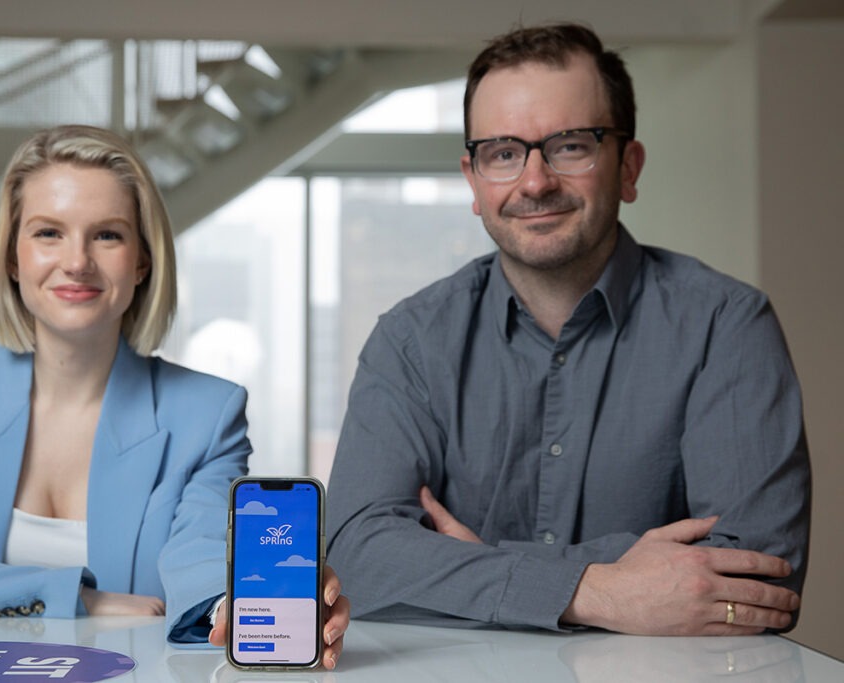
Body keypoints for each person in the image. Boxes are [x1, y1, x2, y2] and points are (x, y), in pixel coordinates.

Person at [326, 23, 810, 637]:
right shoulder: (411, 342)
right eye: (502, 153)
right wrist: (596, 590)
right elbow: (357, 559)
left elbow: (757, 582)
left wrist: (474, 568)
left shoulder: (728, 326)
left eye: (571, 145)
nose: (534, 182)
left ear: (628, 167)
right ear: (473, 181)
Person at [0, 125, 348, 666]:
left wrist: (240, 603)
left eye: (107, 235)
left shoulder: (206, 413)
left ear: (142, 260)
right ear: (12, 258)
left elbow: (201, 554)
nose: (76, 262)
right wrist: (73, 598)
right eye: (48, 233)